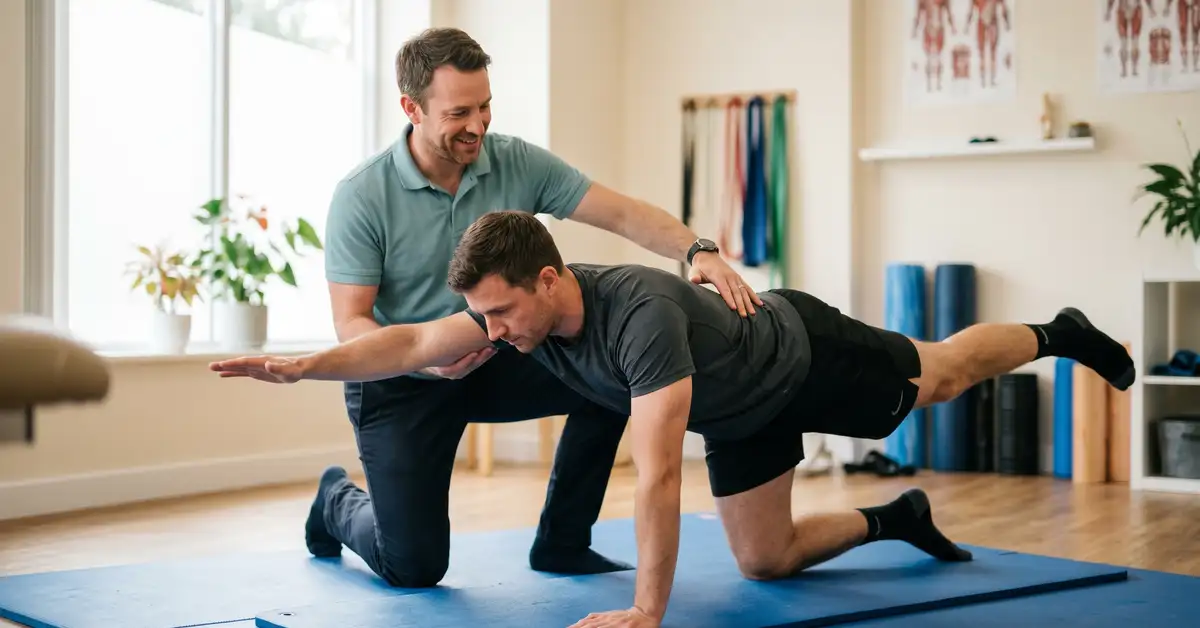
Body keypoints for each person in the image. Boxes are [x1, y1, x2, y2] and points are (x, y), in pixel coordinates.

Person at [211, 211, 1136, 628]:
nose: (489, 336)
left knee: (940, 374)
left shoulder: (638, 317)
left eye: (500, 315)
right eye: (482, 317)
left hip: (808, 359)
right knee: (764, 559)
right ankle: (898, 518)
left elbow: (656, 475)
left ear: (549, 279)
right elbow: (411, 346)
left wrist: (646, 612)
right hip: (746, 418)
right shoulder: (523, 319)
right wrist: (303, 363)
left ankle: (1058, 331)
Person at [308, 27, 763, 590]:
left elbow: (622, 214)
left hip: (501, 352)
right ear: (412, 108)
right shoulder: (362, 195)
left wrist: (698, 250)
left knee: (615, 371)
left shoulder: (515, 161)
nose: (477, 125)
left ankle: (562, 540)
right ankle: (334, 499)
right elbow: (351, 323)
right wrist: (424, 362)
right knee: (413, 567)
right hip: (404, 378)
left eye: (485, 106)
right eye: (458, 113)